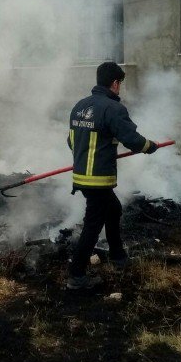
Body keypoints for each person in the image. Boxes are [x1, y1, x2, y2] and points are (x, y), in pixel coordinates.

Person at [66, 61, 158, 291]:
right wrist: (150, 146)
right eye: (120, 84)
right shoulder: (113, 109)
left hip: (82, 178)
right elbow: (133, 140)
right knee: (93, 224)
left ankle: (118, 257)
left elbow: (71, 141)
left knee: (113, 209)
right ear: (115, 84)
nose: (120, 88)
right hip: (98, 180)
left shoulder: (79, 107)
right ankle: (76, 275)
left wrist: (91, 150)